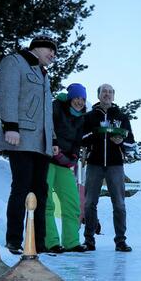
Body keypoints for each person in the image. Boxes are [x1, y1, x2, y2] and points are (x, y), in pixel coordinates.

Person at [0, 35, 57, 254]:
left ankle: (38, 242)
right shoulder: (15, 62)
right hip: (20, 137)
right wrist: (10, 125)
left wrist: (53, 139)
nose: (53, 56)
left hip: (41, 143)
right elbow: (6, 94)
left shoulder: (43, 74)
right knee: (21, 187)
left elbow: (47, 112)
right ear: (38, 48)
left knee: (40, 191)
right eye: (51, 50)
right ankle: (13, 240)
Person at [81, 83, 135, 252]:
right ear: (98, 95)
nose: (107, 94)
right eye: (104, 91)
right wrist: (97, 133)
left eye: (110, 92)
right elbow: (82, 138)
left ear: (113, 96)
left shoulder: (121, 117)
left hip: (115, 164)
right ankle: (89, 240)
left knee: (119, 203)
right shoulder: (89, 117)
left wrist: (122, 141)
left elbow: (131, 142)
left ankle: (120, 241)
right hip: (94, 163)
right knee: (90, 203)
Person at [44, 83, 88, 253]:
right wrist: (53, 146)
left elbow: (78, 141)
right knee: (47, 202)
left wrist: (73, 156)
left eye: (82, 99)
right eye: (77, 97)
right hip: (48, 158)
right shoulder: (56, 107)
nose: (79, 101)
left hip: (64, 162)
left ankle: (71, 242)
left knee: (72, 202)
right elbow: (48, 127)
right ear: (70, 98)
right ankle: (51, 242)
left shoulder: (81, 116)